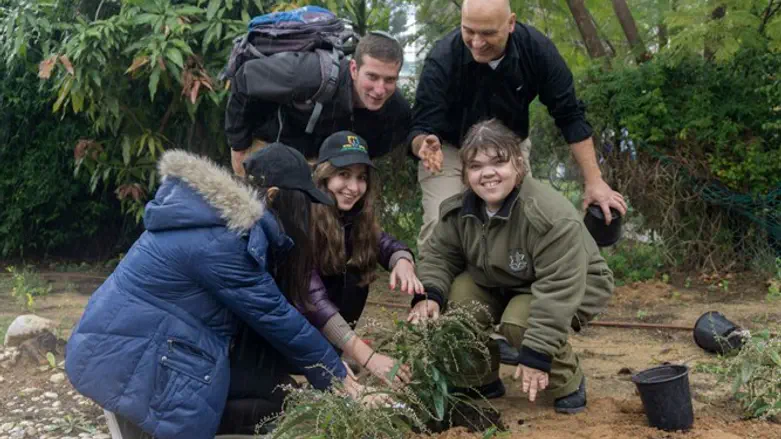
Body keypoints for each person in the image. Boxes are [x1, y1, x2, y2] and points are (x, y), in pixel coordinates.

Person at [65, 144, 366, 439]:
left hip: (131, 347)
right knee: (273, 402)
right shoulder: (223, 240)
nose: (306, 213)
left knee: (272, 389)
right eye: (302, 203)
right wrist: (336, 377)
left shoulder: (218, 220)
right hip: (128, 360)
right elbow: (276, 316)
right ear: (273, 196)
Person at [408, 119, 614, 414]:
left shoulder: (547, 215)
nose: (488, 173)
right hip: (503, 280)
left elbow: (558, 287)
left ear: (518, 165)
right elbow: (440, 256)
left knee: (520, 322)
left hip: (574, 283)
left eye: (499, 162)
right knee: (456, 303)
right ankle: (480, 378)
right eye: (476, 166)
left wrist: (537, 352)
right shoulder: (458, 210)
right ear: (465, 174)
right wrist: (428, 296)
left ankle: (567, 381)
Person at [407, 0, 627, 249]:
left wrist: (594, 181)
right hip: (448, 148)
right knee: (440, 223)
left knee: (525, 222)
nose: (477, 43)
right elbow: (421, 126)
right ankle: (434, 288)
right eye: (468, 31)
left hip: (508, 149)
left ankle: (520, 285)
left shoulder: (537, 51)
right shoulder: (443, 57)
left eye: (488, 33)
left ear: (510, 23)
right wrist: (424, 144)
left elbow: (570, 115)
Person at [297, 131, 423, 385]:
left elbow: (384, 243)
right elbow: (311, 298)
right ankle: (321, 357)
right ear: (324, 175)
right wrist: (368, 357)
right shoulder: (302, 217)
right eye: (343, 175)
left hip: (333, 337)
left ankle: (336, 350)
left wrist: (402, 261)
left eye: (361, 178)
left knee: (359, 263)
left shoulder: (355, 217)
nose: (353, 188)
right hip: (291, 336)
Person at [226, 32, 411, 175]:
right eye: (372, 77)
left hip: (322, 164)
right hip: (269, 146)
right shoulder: (309, 75)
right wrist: (239, 147)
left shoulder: (397, 111)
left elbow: (378, 149)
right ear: (354, 69)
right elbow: (244, 79)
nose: (380, 90)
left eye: (389, 80)